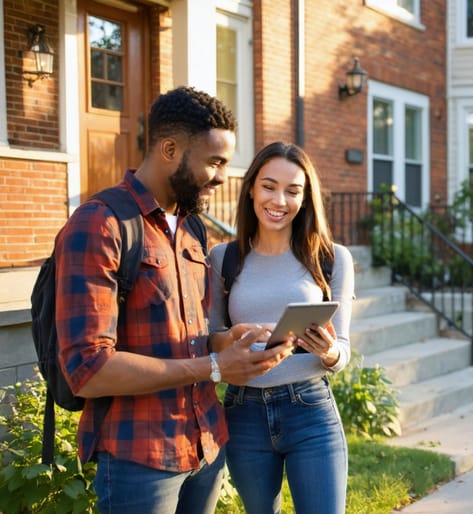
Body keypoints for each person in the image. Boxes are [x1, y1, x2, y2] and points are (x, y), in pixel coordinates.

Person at [56, 86, 295, 514]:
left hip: (204, 446)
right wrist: (216, 366)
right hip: (138, 458)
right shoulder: (101, 224)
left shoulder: (191, 227)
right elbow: (87, 370)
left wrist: (222, 342)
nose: (223, 176)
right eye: (215, 162)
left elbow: (182, 335)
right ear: (169, 149)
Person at [207, 141, 355, 514]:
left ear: (305, 199)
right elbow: (209, 337)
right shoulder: (223, 258)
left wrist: (329, 351)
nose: (280, 200)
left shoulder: (332, 258)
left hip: (309, 408)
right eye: (269, 186)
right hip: (244, 411)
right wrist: (236, 338)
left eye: (293, 191)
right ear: (252, 188)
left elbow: (342, 352)